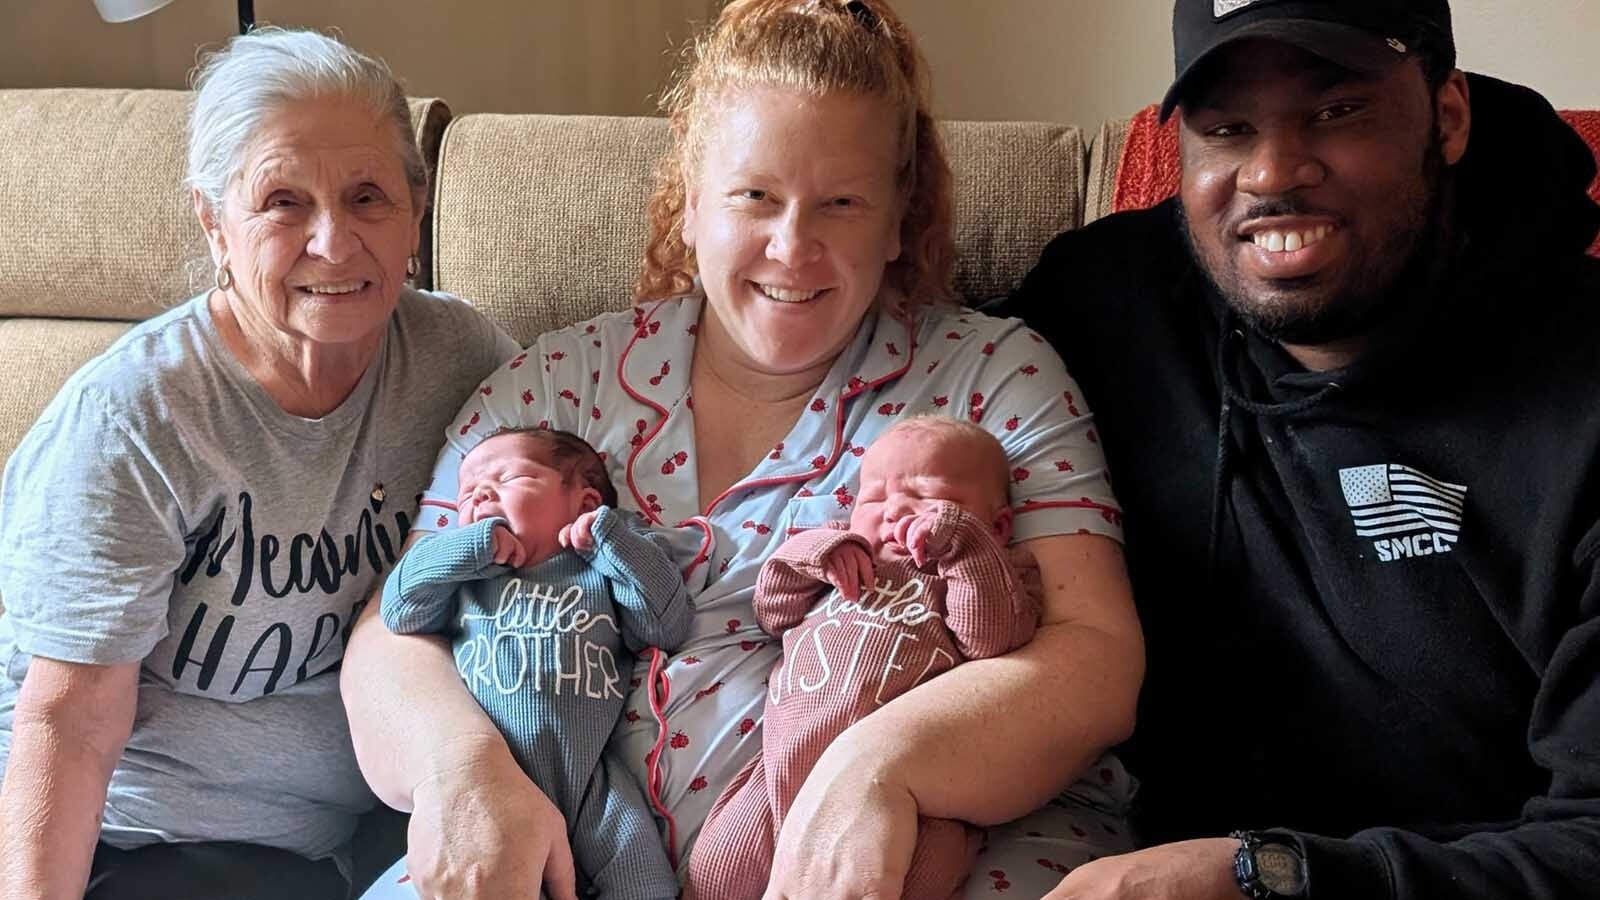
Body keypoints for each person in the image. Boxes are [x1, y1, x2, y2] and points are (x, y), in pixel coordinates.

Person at [342, 2, 1145, 898]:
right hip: (558, 844)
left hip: (923, 848)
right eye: (755, 195)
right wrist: (465, 772)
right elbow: (391, 635)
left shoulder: (996, 375)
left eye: (841, 202)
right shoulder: (549, 384)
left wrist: (879, 765)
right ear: (691, 204)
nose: (793, 247)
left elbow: (1094, 657)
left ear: (895, 220)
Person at [998, 1, 1600, 897]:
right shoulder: (1106, 303)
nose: (1274, 170)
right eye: (1228, 128)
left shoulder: (1581, 388)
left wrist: (1267, 877)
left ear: (1448, 114)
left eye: (1338, 111)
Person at [0, 27, 520, 900]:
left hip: (353, 834)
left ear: (415, 212)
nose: (333, 242)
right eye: (284, 201)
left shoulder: (459, 356)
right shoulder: (139, 415)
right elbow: (72, 720)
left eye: (367, 198)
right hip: (142, 836)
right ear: (214, 222)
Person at [688, 416, 1042, 900]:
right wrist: (820, 551)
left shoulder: (992, 571)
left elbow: (992, 641)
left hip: (911, 790)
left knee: (915, 880)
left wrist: (963, 544)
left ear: (998, 526)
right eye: (874, 499)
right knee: (717, 870)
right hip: (781, 768)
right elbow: (774, 609)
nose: (895, 512)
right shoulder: (843, 553)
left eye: (932, 499)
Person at [380, 427, 693, 900]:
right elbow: (399, 609)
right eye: (468, 493)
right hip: (488, 779)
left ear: (585, 504)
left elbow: (665, 624)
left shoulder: (602, 567)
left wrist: (609, 539)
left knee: (644, 879)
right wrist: (466, 549)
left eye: (508, 478)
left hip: (590, 777)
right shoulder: (467, 576)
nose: (481, 493)